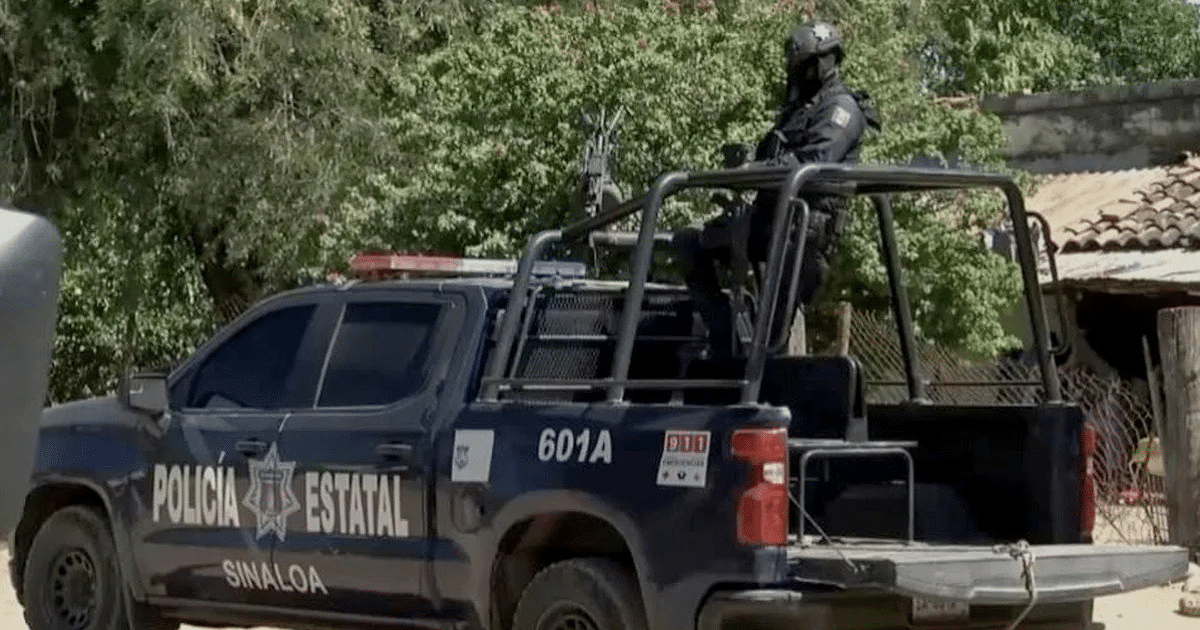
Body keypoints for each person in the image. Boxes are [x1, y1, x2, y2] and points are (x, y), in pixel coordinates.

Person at [673, 19, 882, 360]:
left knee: (770, 339)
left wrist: (752, 171)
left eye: (801, 65)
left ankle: (763, 384)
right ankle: (723, 338)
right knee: (688, 243)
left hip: (805, 232)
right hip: (767, 219)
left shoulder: (841, 110)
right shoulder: (800, 109)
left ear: (821, 64)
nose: (794, 72)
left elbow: (813, 163)